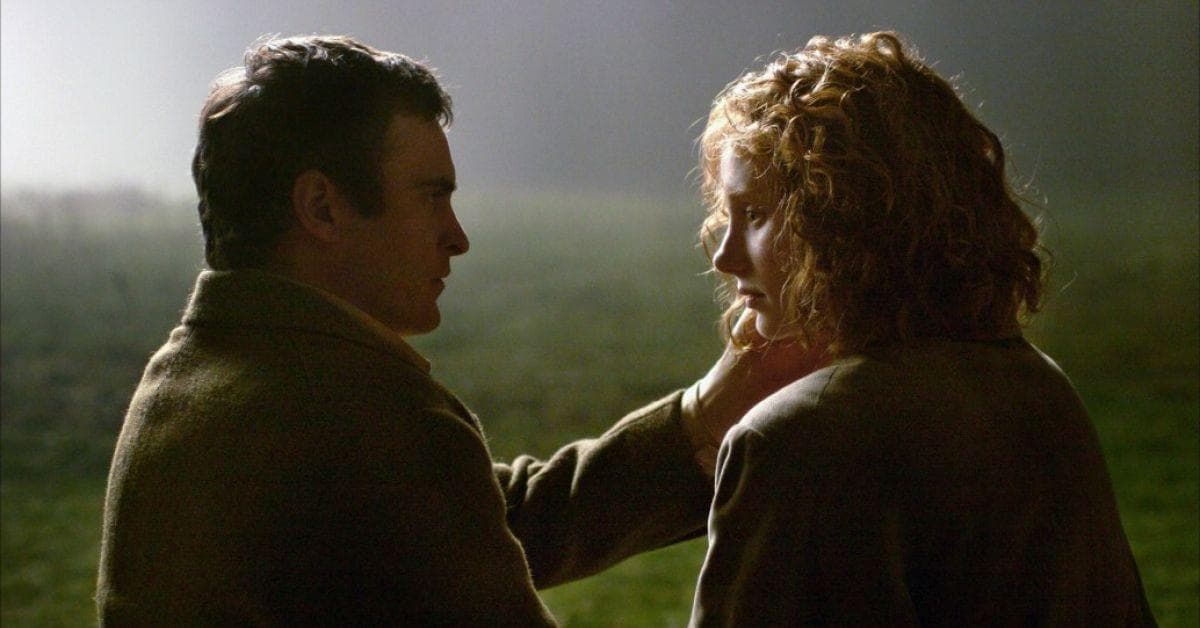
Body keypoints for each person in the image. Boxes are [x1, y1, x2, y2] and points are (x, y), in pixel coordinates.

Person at [95, 35, 823, 625]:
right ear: (322, 208)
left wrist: (702, 417)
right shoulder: (365, 421)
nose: (457, 236)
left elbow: (474, 523)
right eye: (431, 197)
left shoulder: (191, 381)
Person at [688, 32, 1155, 626]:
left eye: (755, 214)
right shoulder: (1039, 388)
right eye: (725, 215)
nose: (724, 257)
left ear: (842, 216)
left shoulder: (796, 439)